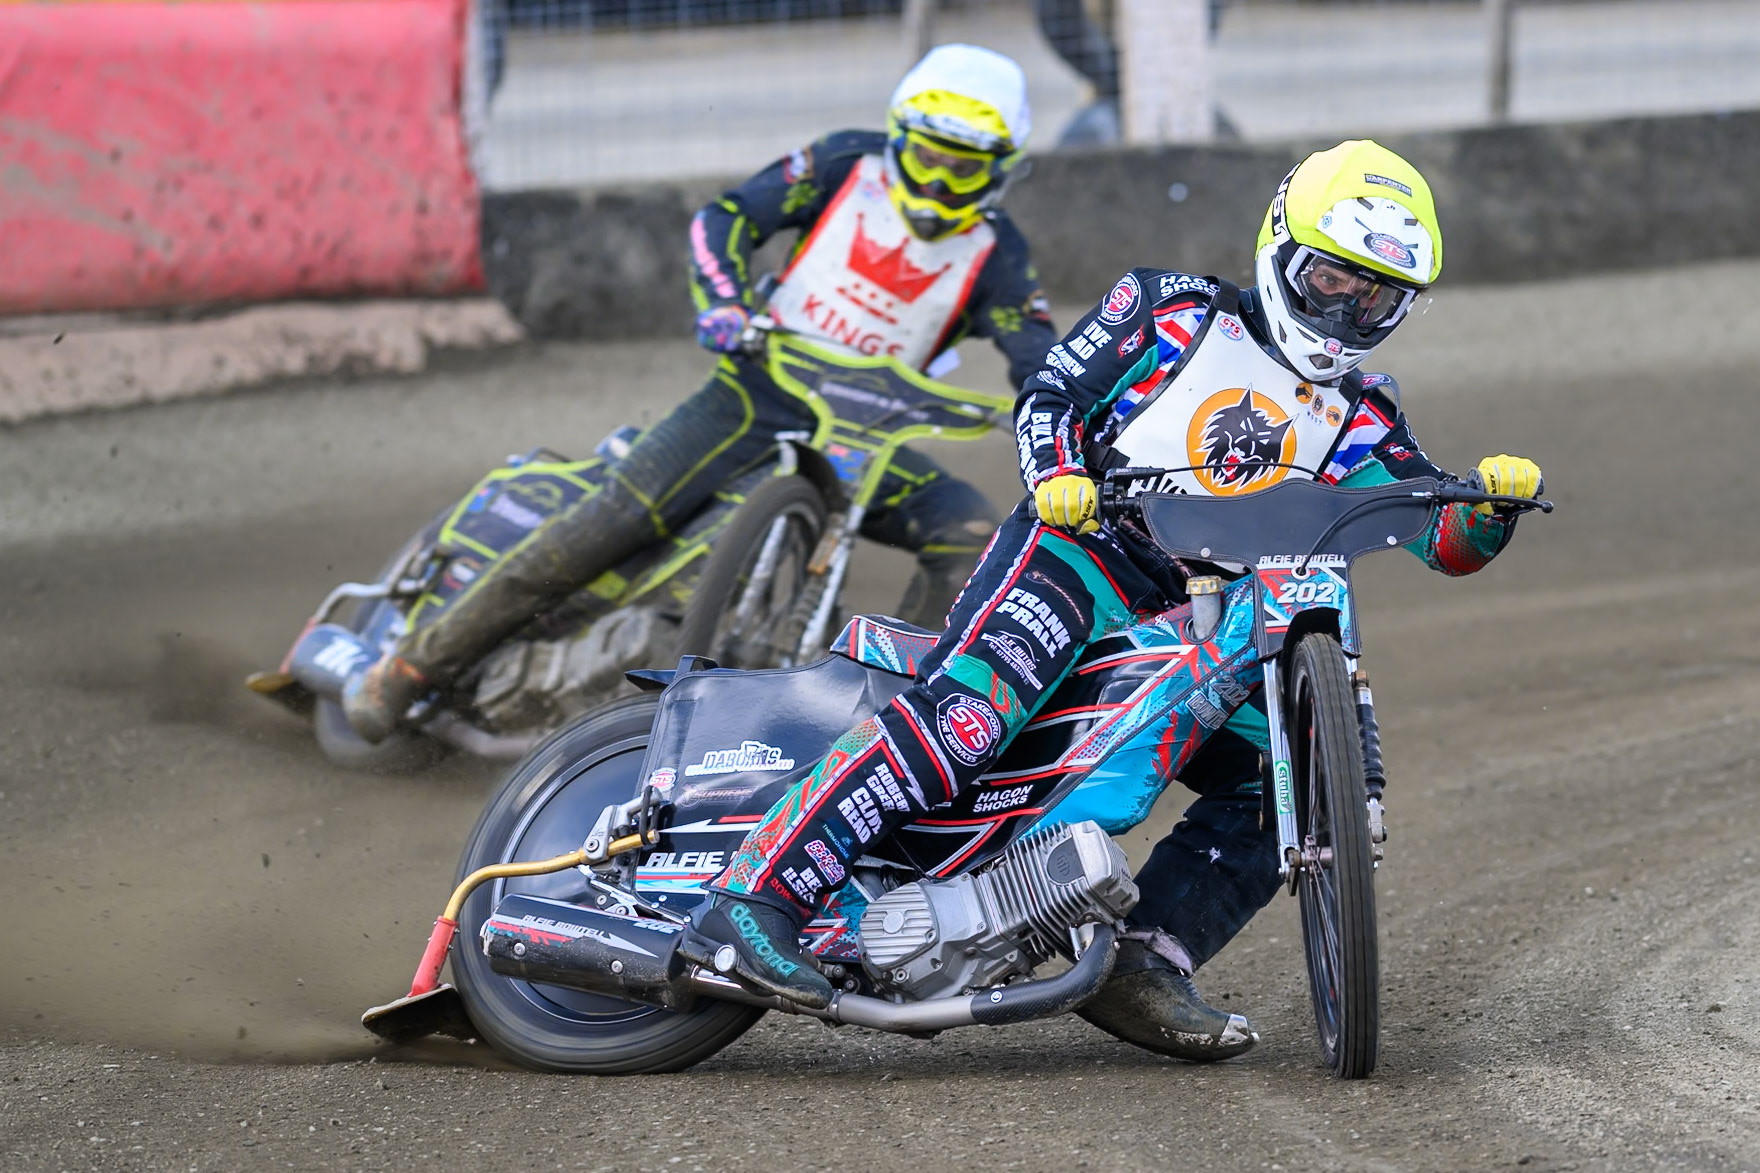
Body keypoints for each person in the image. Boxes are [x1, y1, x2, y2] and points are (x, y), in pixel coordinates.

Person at [680, 140, 1546, 1061]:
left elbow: (1438, 537)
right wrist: (1058, 474)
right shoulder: (1170, 309)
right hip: (1082, 554)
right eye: (1331, 278)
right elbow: (1051, 394)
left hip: (1207, 613)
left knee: (1275, 780)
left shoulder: (1368, 413)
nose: (1345, 310)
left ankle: (1145, 960)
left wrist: (1489, 507)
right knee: (967, 717)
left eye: (1375, 296)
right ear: (1279, 248)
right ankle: (751, 898)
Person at [344, 44, 1059, 743]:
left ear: (1000, 173)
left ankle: (907, 729)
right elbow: (728, 216)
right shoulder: (845, 163)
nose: (935, 185)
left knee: (970, 534)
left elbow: (1034, 353)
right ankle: (410, 667)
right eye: (926, 158)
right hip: (758, 391)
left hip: (873, 439)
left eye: (959, 170)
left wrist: (1054, 415)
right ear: (899, 139)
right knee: (614, 518)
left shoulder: (1000, 254)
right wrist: (726, 299)